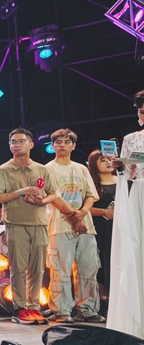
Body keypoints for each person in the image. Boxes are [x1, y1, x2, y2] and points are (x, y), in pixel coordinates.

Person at [0, 127, 58, 325]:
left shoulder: (42, 169)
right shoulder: (3, 170)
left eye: (21, 141)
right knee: (18, 268)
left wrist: (43, 201)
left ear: (31, 144)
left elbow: (54, 193)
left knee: (38, 268)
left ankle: (34, 306)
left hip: (39, 223)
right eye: (13, 142)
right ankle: (19, 307)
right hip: (16, 223)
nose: (16, 145)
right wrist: (21, 192)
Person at [44, 129, 104, 323]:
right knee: (60, 270)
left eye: (67, 142)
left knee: (88, 269)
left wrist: (83, 213)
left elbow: (91, 195)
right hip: (60, 225)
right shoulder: (48, 168)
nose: (62, 145)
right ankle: (61, 310)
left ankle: (87, 310)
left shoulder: (81, 169)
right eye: (58, 142)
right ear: (53, 146)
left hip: (86, 226)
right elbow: (54, 196)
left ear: (74, 146)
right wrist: (74, 216)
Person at [107, 90, 144, 339]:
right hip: (139, 194)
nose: (143, 115)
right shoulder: (131, 138)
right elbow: (130, 173)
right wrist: (120, 168)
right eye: (141, 111)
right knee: (137, 249)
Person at [87, 149, 115, 314]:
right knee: (101, 262)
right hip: (99, 227)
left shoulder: (123, 181)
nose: (108, 162)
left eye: (110, 159)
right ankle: (104, 300)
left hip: (119, 227)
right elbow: (84, 207)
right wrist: (104, 212)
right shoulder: (91, 184)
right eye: (102, 160)